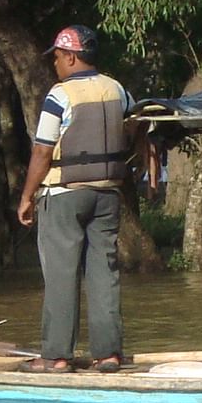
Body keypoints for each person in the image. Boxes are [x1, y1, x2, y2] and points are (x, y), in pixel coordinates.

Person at [14, 25, 135, 372]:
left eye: (56, 57)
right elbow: (135, 125)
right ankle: (109, 353)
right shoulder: (118, 90)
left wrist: (26, 196)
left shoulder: (59, 96)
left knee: (61, 274)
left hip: (65, 194)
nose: (54, 64)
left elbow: (42, 151)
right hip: (107, 194)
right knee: (104, 273)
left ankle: (55, 357)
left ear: (70, 56)